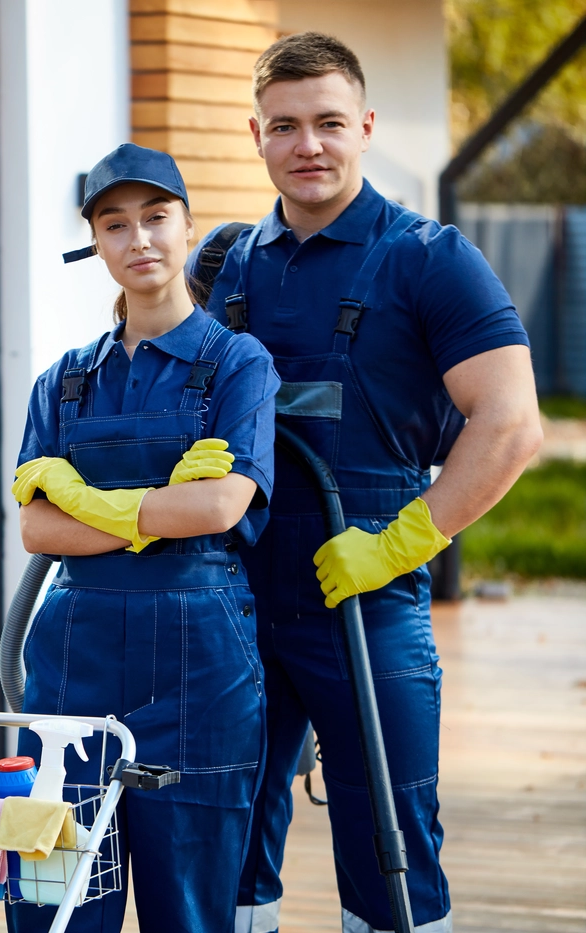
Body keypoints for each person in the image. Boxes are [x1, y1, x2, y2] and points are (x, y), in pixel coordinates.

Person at [191, 33, 544, 933]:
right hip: (238, 595)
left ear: (366, 128)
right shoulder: (230, 268)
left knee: (390, 848)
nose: (308, 144)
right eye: (285, 126)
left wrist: (403, 541)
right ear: (256, 136)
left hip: (369, 592)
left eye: (329, 123)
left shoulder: (431, 258)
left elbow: (510, 425)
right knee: (223, 849)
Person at [8, 143, 279, 933]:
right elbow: (35, 526)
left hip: (199, 671)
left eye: (157, 218)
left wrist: (98, 508)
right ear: (96, 243)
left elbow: (222, 506)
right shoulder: (62, 381)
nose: (140, 240)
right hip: (72, 666)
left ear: (188, 227)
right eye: (115, 224)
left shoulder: (239, 365)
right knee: (53, 901)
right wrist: (160, 505)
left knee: (188, 912)